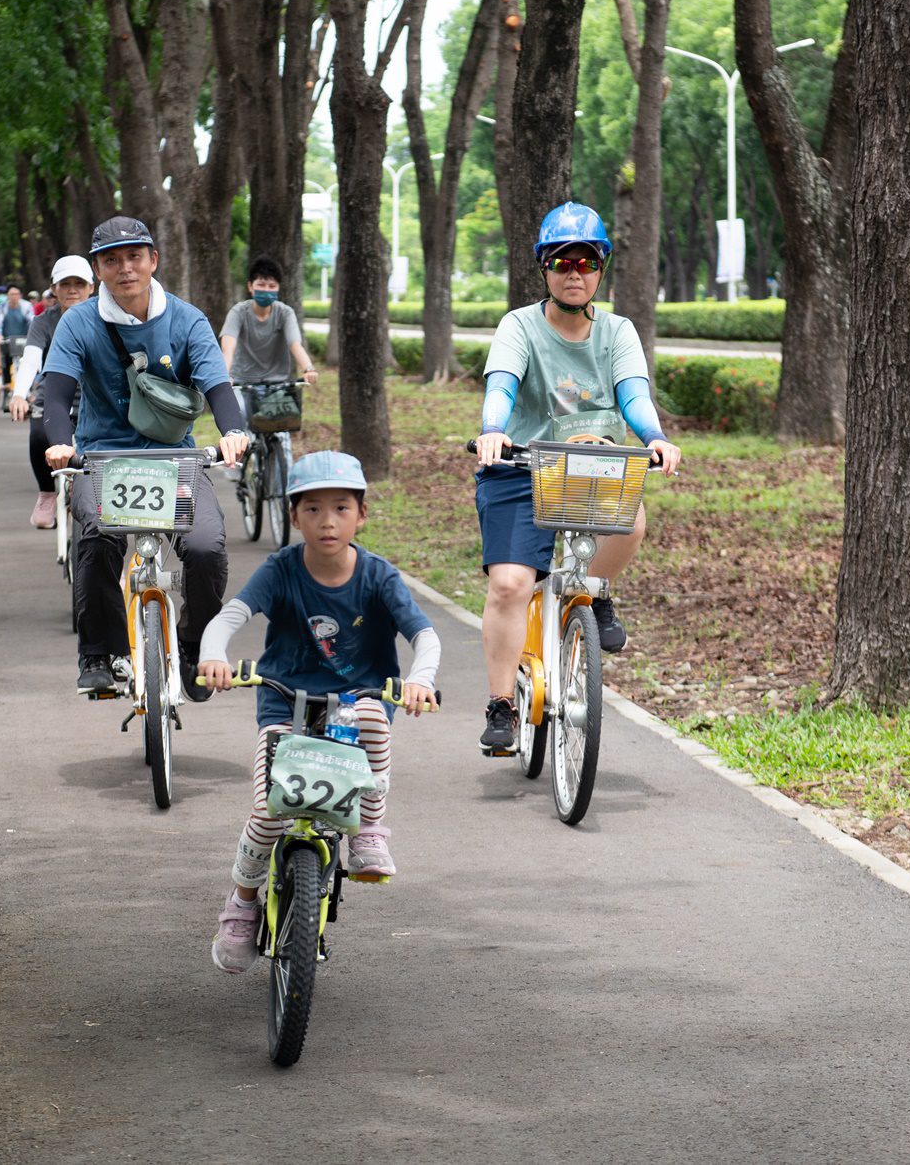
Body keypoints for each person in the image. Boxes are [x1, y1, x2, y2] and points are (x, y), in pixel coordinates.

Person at [196, 451, 440, 974]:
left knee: (374, 715)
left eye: (340, 508)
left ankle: (369, 828)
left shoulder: (377, 576)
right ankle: (240, 904)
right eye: (312, 509)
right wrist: (214, 655)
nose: (327, 521)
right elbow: (230, 617)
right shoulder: (281, 569)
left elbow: (424, 634)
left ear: (361, 515)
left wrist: (420, 679)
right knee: (268, 811)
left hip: (358, 711)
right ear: (293, 515)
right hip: (284, 702)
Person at [471, 202, 682, 753]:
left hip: (593, 466)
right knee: (511, 585)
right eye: (562, 262)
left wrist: (654, 437)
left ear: (600, 271)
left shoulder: (617, 332)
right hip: (522, 464)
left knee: (631, 523)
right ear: (545, 267)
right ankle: (501, 705)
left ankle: (593, 595)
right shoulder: (518, 325)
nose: (574, 273)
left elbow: (633, 394)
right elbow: (502, 385)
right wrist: (493, 429)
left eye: (586, 263)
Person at [39, 216, 252, 697]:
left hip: (175, 459)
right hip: (102, 459)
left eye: (134, 256)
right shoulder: (78, 322)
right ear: (98, 270)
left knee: (206, 547)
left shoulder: (187, 319)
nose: (125, 269)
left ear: (153, 260)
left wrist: (233, 430)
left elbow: (217, 385)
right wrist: (60, 441)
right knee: (94, 539)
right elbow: (56, 396)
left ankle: (195, 644)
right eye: (111, 260)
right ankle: (102, 653)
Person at [10, 255, 95, 528]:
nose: (72, 289)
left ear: (92, 287)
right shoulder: (43, 322)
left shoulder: (105, 317)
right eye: (65, 283)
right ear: (54, 289)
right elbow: (31, 358)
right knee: (39, 433)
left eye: (79, 283)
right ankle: (47, 493)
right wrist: (19, 394)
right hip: (55, 395)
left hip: (95, 397)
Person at [220, 256, 318, 466]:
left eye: (272, 285)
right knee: (239, 426)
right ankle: (238, 468)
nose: (266, 290)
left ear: (279, 288)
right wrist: (223, 375)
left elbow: (295, 344)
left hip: (277, 383)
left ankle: (284, 491)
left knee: (283, 439)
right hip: (242, 382)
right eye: (261, 284)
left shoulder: (285, 313)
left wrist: (308, 367)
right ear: (250, 286)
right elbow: (228, 346)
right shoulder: (239, 312)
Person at [0, 284, 31, 394]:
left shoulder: (26, 306)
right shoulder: (1, 308)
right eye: (11, 294)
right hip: (7, 340)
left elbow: (32, 321)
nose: (14, 297)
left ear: (20, 295)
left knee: (27, 362)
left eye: (16, 294)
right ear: (7, 295)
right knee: (5, 359)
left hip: (23, 340)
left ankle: (28, 386)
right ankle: (6, 383)